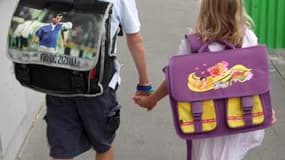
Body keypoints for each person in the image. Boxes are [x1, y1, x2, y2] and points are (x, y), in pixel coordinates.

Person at [133, 0, 276, 160]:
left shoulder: (191, 44)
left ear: (205, 9)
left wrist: (152, 100)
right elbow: (255, 79)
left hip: (204, 122)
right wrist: (266, 109)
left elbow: (173, 79)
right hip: (240, 116)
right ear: (238, 8)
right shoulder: (248, 38)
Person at [45, 0, 151, 160]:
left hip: (56, 78)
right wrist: (144, 84)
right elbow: (135, 39)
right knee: (103, 144)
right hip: (97, 82)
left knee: (62, 149)